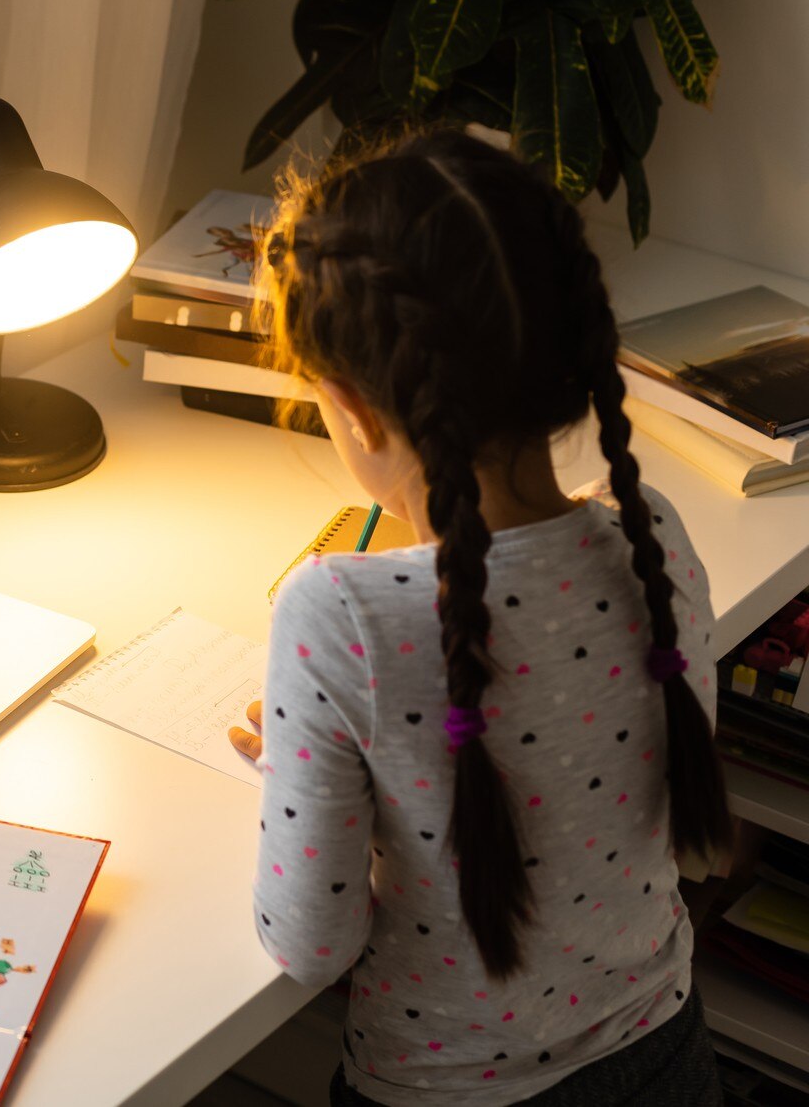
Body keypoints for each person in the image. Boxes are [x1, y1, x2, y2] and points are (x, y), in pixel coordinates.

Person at [230, 130, 731, 1106]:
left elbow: (308, 945)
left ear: (352, 411)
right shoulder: (649, 538)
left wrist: (303, 775)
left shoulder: (339, 611)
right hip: (666, 1060)